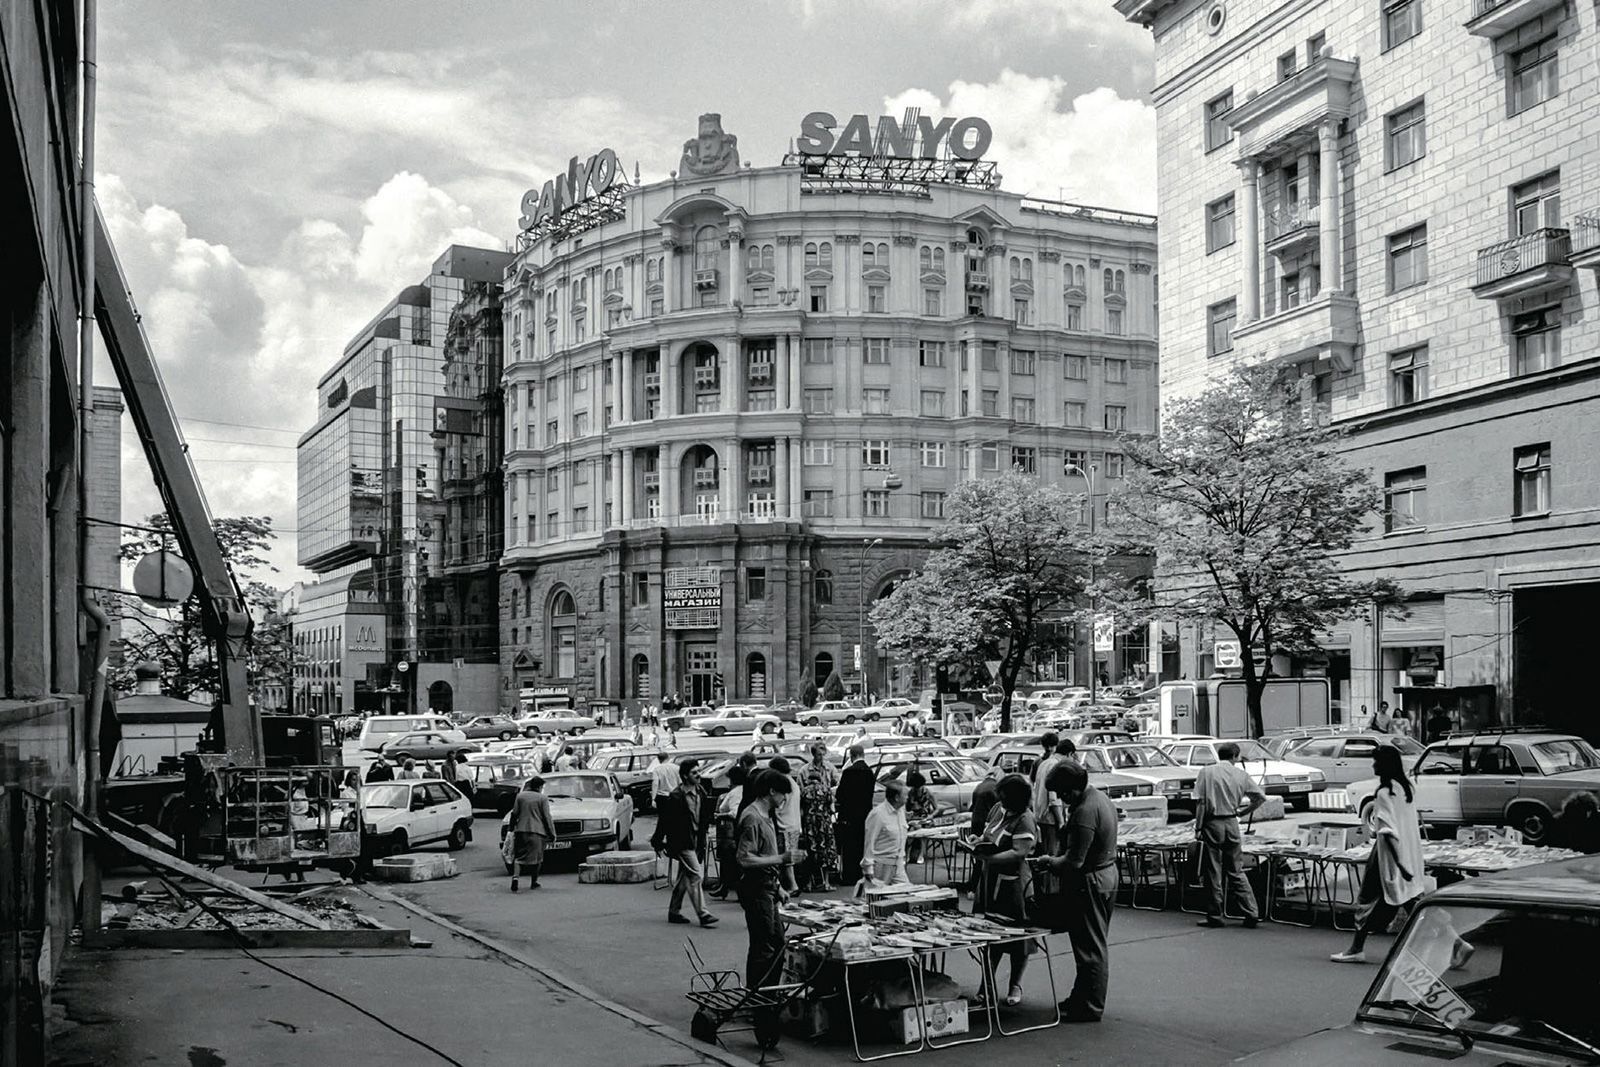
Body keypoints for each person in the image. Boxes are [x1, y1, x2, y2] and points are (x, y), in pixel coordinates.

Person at [1332, 745, 1429, 963]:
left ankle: (1356, 948)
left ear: (1384, 765)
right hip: (1409, 851)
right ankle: (1455, 942)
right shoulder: (1407, 788)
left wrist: (1400, 864)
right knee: (1411, 898)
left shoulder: (1384, 793)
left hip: (1388, 855)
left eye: (1376, 762)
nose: (1373, 765)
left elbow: (1387, 833)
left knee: (1368, 898)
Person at [1041, 760, 1118, 1022]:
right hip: (1104, 875)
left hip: (1091, 881)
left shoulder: (1085, 810)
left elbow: (1074, 861)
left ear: (1073, 788)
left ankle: (1090, 1006)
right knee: (1088, 944)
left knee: (1090, 948)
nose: (1062, 799)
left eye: (1063, 793)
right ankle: (1081, 996)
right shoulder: (1098, 797)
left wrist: (1049, 862)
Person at [736, 771, 805, 1000]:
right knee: (764, 947)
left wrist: (778, 888)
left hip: (767, 887)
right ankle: (759, 997)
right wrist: (782, 859)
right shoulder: (752, 817)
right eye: (783, 793)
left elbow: (764, 855)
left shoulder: (767, 815)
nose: (785, 799)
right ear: (771, 791)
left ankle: (765, 993)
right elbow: (745, 858)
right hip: (755, 890)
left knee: (776, 943)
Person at [973, 774, 1037, 1007]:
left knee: (1017, 939)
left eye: (1004, 797)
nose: (1000, 801)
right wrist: (977, 840)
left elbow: (1020, 852)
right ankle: (986, 984)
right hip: (990, 883)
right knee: (989, 936)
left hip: (1014, 886)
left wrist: (990, 859)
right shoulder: (998, 809)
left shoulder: (1025, 819)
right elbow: (987, 835)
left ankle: (1015, 984)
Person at [1193, 741, 1266, 928]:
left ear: (1219, 755)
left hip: (1212, 823)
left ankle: (1215, 915)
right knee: (1236, 870)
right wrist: (1243, 812)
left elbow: (1201, 803)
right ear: (1236, 756)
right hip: (1232, 822)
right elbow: (1260, 798)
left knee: (1213, 870)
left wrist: (1198, 827)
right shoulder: (1241, 775)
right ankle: (1251, 912)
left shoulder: (1206, 772)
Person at [650, 758, 719, 928]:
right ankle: (703, 914)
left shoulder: (701, 792)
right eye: (694, 773)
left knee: (683, 878)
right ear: (685, 776)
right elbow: (665, 820)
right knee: (696, 875)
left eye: (698, 771)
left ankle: (674, 911)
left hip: (696, 840)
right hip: (682, 842)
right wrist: (657, 840)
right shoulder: (676, 796)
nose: (699, 775)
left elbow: (703, 818)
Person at [799, 743, 839, 892]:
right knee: (827, 850)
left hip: (809, 823)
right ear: (813, 755)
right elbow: (832, 806)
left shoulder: (805, 791)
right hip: (824, 822)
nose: (821, 758)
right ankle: (826, 882)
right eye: (819, 755)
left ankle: (809, 883)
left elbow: (801, 803)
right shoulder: (824, 789)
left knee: (811, 850)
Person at [509, 776, 558, 892]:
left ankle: (515, 878)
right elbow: (547, 817)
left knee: (519, 857)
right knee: (537, 858)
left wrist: (511, 829)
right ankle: (534, 881)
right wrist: (552, 833)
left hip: (521, 830)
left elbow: (514, 813)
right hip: (537, 831)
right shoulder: (542, 798)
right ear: (540, 787)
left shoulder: (520, 796)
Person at [861, 779, 911, 889]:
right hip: (881, 864)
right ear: (897, 798)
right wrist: (868, 867)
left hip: (898, 863)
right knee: (876, 898)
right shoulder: (878, 814)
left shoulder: (901, 810)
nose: (908, 798)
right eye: (905, 795)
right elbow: (869, 840)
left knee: (907, 893)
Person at [836, 744, 875, 885]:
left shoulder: (848, 772)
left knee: (849, 847)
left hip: (849, 815)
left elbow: (841, 794)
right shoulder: (869, 772)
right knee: (861, 846)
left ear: (852, 756)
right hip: (865, 815)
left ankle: (849, 876)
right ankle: (861, 874)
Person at [768, 757, 803, 893]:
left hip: (784, 824)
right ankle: (791, 885)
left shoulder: (782, 783)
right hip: (794, 823)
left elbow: (780, 804)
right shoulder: (793, 783)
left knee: (785, 858)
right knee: (789, 856)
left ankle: (792, 885)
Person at [1032, 732, 1064, 853]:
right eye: (1047, 746)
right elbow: (1053, 797)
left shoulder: (1040, 762)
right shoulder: (1047, 763)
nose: (1049, 749)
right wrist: (1061, 820)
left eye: (1051, 746)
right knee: (1051, 851)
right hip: (1048, 814)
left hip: (1040, 813)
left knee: (1044, 849)